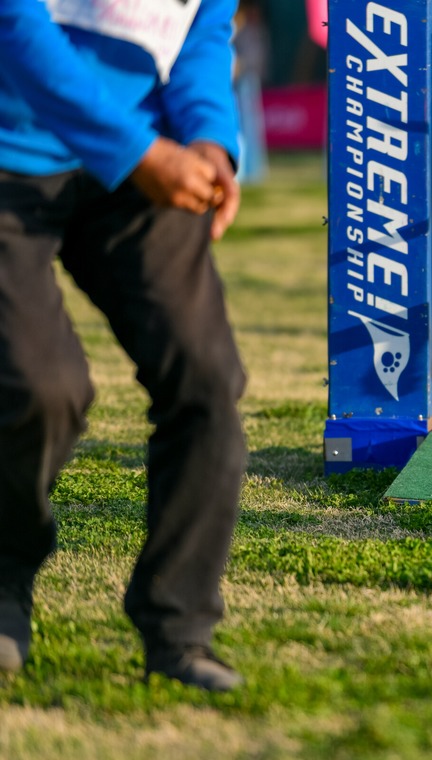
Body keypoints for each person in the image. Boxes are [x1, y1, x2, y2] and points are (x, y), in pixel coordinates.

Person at [0, 0, 248, 691]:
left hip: (140, 161)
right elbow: (16, 24)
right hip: (15, 150)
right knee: (40, 387)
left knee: (205, 380)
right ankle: (4, 580)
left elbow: (201, 36)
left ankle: (179, 630)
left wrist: (209, 138)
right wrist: (139, 151)